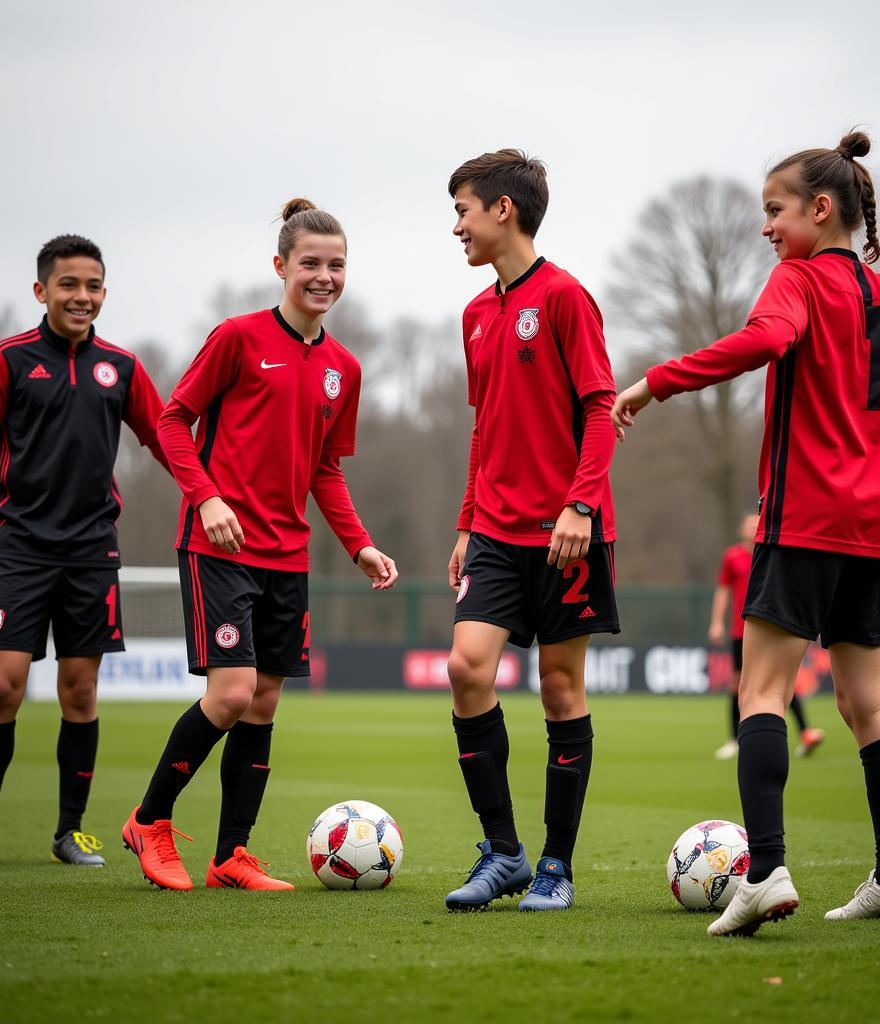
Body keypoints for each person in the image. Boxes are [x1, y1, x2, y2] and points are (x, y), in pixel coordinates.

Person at [612, 131, 880, 936]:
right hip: (874, 533)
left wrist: (655, 383)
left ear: (822, 211)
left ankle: (767, 870)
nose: (766, 228)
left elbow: (761, 342)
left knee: (760, 693)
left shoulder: (795, 280)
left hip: (801, 524)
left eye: (774, 211)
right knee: (870, 706)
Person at [122, 199, 398, 891]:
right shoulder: (237, 338)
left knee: (264, 701)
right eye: (311, 263)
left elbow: (325, 469)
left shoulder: (344, 368)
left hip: (288, 554)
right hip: (219, 547)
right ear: (280, 266)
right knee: (232, 693)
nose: (324, 276)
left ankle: (230, 856)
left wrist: (359, 544)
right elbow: (172, 420)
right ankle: (149, 822)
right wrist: (207, 497)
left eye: (336, 265)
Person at [444, 150, 619, 912]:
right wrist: (464, 521)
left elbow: (600, 409)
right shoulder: (476, 315)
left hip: (566, 533)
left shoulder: (566, 298)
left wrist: (580, 506)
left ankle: (556, 866)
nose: (457, 226)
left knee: (558, 688)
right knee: (465, 668)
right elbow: (486, 427)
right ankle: (505, 852)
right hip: (494, 532)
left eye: (463, 210)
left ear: (503, 211)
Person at [0, 234, 169, 866]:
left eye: (93, 286)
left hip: (92, 551)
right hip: (17, 546)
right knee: (5, 686)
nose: (82, 296)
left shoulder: (119, 367)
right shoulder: (12, 360)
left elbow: (164, 436)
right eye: (69, 285)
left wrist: (209, 491)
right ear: (41, 291)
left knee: (79, 690)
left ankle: (69, 832)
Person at [709, 513, 824, 759]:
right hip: (741, 630)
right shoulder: (732, 557)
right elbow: (723, 590)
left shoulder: (773, 553)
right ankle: (734, 739)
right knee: (738, 684)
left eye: (757, 522)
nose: (753, 527)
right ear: (741, 529)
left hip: (770, 627)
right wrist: (717, 622)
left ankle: (805, 732)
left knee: (779, 681)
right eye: (749, 523)